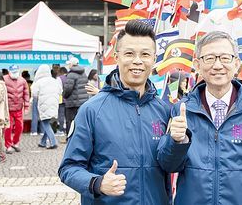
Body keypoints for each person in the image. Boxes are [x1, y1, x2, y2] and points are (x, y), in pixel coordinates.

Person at [158, 31, 242, 205]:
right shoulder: (182, 109)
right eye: (209, 58)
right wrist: (176, 142)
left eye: (225, 58)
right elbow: (168, 165)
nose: (217, 65)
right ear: (198, 65)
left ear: (236, 63)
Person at [59, 20, 172, 204]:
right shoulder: (92, 110)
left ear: (154, 59)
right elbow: (69, 168)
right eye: (129, 53)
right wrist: (98, 183)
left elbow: (171, 166)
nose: (137, 61)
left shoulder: (164, 110)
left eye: (145, 54)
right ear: (116, 57)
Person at [31, 65, 62, 150]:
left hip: (44, 104)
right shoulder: (54, 81)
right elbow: (60, 91)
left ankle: (53, 142)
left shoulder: (39, 82)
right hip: (54, 103)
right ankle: (43, 142)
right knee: (48, 122)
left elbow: (34, 94)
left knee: (45, 122)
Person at [4, 65, 30, 154]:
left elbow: (26, 94)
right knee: (8, 127)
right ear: (9, 71)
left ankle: (15, 142)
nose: (14, 73)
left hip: (19, 107)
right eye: (13, 72)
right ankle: (8, 145)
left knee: (20, 126)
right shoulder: (4, 80)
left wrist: (26, 107)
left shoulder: (23, 81)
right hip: (8, 108)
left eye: (16, 72)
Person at [63, 57, 89, 136]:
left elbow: (68, 89)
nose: (68, 66)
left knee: (70, 121)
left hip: (72, 102)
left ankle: (69, 137)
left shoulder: (71, 74)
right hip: (82, 102)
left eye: (69, 64)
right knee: (80, 121)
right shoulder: (84, 73)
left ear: (72, 64)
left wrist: (64, 95)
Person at [57, 67, 68, 136]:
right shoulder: (69, 77)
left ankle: (61, 130)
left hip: (61, 99)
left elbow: (59, 89)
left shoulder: (59, 78)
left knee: (61, 115)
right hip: (68, 99)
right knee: (67, 116)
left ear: (60, 72)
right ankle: (66, 129)